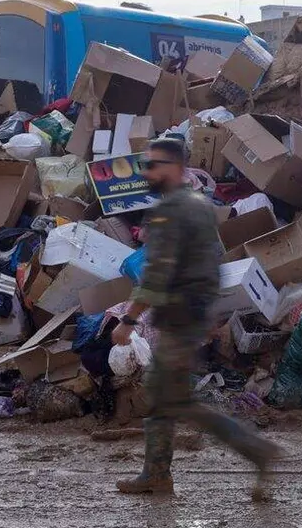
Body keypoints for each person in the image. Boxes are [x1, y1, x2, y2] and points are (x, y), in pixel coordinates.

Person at [112, 138, 280, 500]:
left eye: (153, 165)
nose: (147, 173)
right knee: (164, 394)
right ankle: (157, 474)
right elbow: (214, 261)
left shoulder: (170, 211)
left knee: (173, 398)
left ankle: (255, 450)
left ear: (175, 167)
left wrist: (129, 320)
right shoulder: (200, 205)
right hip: (191, 316)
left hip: (177, 317)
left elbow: (156, 274)